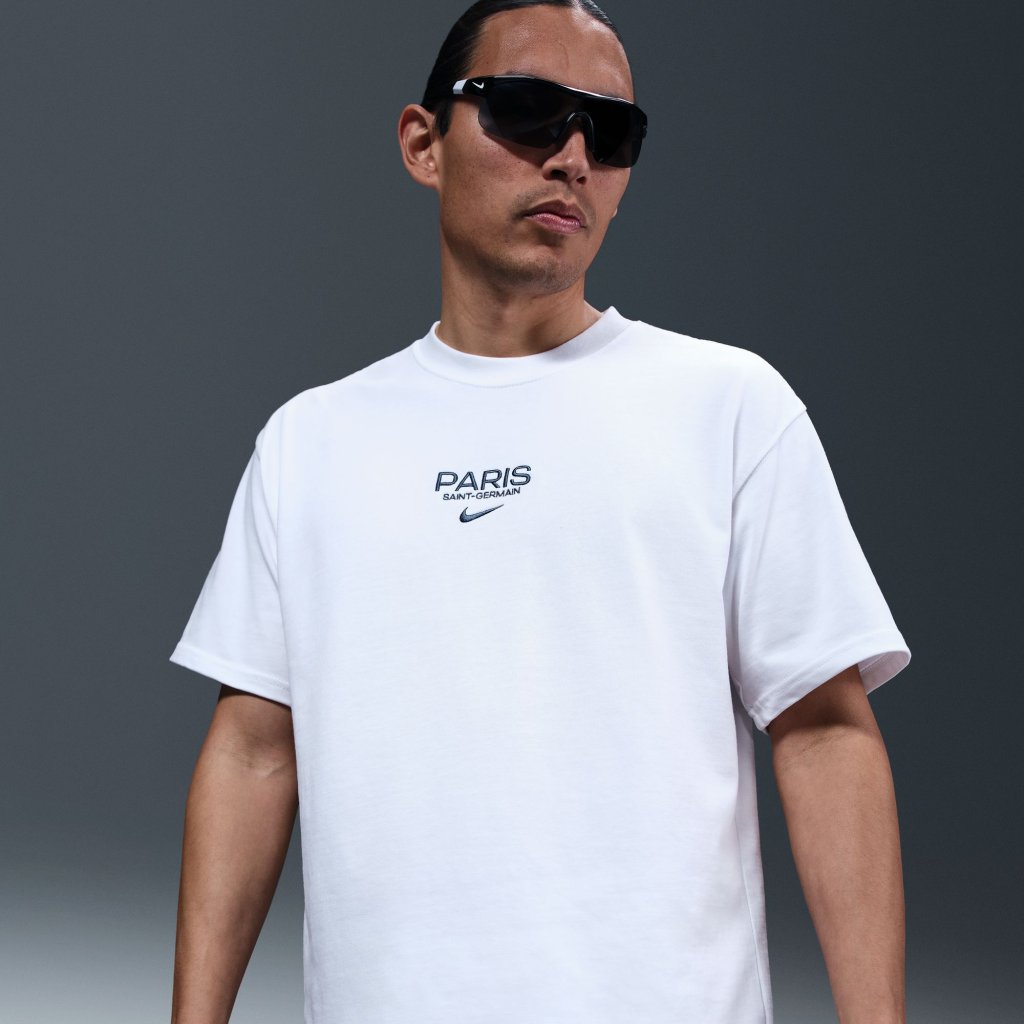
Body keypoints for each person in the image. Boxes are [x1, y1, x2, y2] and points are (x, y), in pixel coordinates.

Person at [168, 2, 912, 1022]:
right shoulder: (311, 443)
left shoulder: (730, 407)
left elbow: (824, 734)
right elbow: (254, 751)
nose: (571, 156)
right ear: (423, 144)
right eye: (527, 110)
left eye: (611, 132)